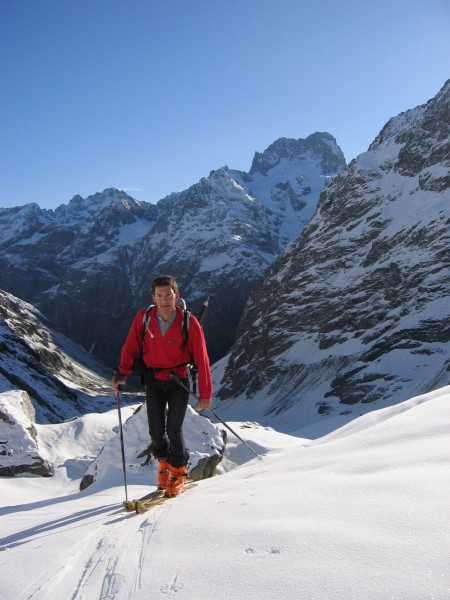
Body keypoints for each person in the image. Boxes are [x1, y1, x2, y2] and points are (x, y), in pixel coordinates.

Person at [112, 275, 212, 496]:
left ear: (176, 295)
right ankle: (164, 462)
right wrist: (122, 373)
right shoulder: (144, 318)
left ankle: (179, 470)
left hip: (178, 381)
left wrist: (205, 394)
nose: (164, 299)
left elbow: (202, 359)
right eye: (159, 295)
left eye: (169, 294)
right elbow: (130, 348)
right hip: (153, 380)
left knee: (173, 429)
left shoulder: (189, 321)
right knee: (156, 432)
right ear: (153, 297)